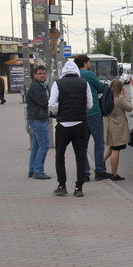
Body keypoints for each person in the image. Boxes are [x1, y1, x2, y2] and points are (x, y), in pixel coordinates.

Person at [48, 60, 93, 197]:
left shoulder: (57, 83)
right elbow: (90, 105)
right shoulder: (84, 83)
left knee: (60, 155)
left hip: (63, 125)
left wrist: (58, 113)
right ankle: (78, 188)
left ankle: (62, 186)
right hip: (80, 125)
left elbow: (52, 104)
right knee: (80, 156)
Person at [74, 54, 112, 181]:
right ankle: (100, 170)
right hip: (93, 112)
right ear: (85, 63)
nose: (89, 64)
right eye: (89, 62)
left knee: (82, 145)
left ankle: (85, 173)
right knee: (99, 143)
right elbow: (101, 88)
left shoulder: (74, 75)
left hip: (79, 114)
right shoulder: (89, 75)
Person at [104, 79, 132, 181]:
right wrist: (125, 95)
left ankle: (100, 165)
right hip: (118, 126)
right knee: (116, 149)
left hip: (108, 124)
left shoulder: (107, 97)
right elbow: (129, 108)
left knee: (111, 146)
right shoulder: (119, 99)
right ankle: (114, 174)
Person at [26, 65, 51, 179]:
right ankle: (38, 171)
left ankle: (32, 170)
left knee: (36, 146)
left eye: (44, 73)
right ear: (35, 75)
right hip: (38, 119)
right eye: (40, 73)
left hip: (37, 119)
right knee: (45, 145)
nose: (42, 75)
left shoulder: (42, 86)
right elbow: (45, 102)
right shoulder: (36, 87)